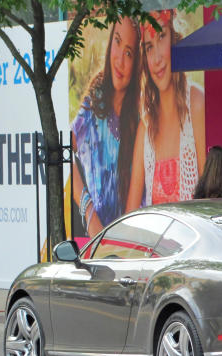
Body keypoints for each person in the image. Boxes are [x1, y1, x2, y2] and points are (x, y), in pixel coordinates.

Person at [126, 10, 206, 211]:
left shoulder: (196, 102)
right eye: (149, 47)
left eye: (162, 37)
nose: (156, 58)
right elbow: (130, 212)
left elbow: (210, 197)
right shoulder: (146, 124)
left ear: (175, 39)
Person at [71, 17, 141, 237]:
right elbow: (65, 154)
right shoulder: (95, 99)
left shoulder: (141, 114)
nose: (119, 60)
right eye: (117, 42)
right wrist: (89, 212)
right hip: (94, 241)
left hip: (131, 242)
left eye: (129, 53)